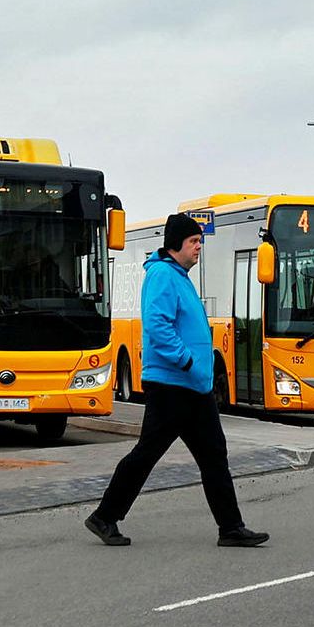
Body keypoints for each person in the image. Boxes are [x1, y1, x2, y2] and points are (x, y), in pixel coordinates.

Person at [85, 213, 268, 548]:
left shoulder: (179, 276)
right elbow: (158, 327)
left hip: (193, 386)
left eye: (200, 241)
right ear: (176, 245)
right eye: (194, 242)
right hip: (172, 385)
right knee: (147, 453)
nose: (199, 247)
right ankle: (104, 516)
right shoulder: (162, 277)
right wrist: (186, 361)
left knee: (214, 454)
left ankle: (230, 527)